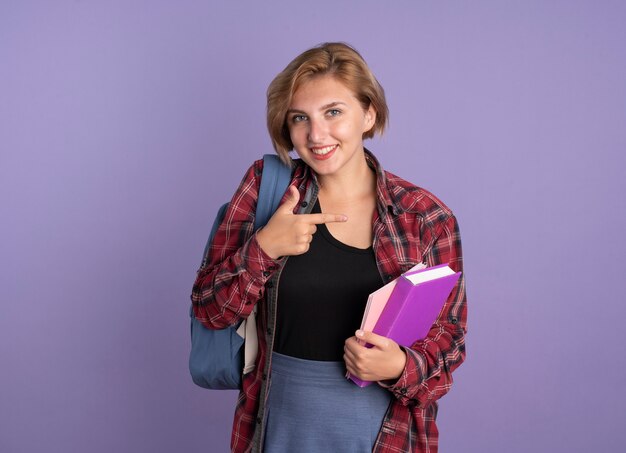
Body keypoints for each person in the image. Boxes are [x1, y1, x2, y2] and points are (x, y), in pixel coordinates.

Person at [191, 42, 467, 453]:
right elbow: (210, 310)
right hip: (278, 428)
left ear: (368, 113)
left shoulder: (424, 216)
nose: (316, 135)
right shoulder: (267, 189)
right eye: (300, 117)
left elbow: (451, 340)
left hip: (383, 435)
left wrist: (399, 366)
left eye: (333, 112)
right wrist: (265, 247)